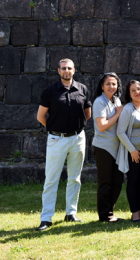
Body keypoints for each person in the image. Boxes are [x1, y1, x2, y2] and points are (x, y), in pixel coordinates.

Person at [35, 58, 91, 231]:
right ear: (58, 71)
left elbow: (87, 114)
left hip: (77, 138)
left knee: (74, 178)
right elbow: (41, 117)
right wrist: (55, 129)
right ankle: (46, 218)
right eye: (63, 68)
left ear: (74, 70)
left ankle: (70, 213)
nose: (67, 70)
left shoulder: (82, 89)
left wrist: (75, 129)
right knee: (51, 180)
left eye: (69, 68)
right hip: (56, 139)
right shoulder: (49, 91)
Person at [117, 80, 140, 223]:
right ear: (129, 94)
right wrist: (132, 150)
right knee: (133, 181)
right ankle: (134, 213)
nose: (137, 92)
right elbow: (120, 132)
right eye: (133, 90)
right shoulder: (128, 108)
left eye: (139, 89)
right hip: (133, 152)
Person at [92, 72, 124, 222]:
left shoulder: (116, 100)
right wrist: (118, 114)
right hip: (103, 147)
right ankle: (104, 216)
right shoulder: (99, 102)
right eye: (108, 84)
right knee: (105, 182)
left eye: (114, 84)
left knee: (117, 181)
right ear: (102, 86)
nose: (111, 86)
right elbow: (102, 126)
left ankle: (110, 212)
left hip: (117, 148)